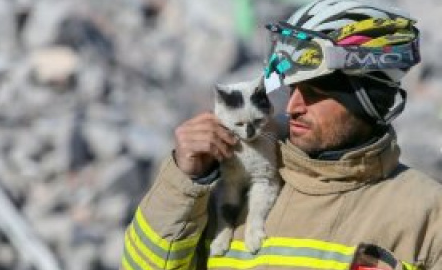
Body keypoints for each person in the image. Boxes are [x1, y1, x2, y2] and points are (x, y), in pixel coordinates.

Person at [120, 0, 442, 269]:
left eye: (315, 92)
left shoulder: (426, 214)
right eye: (293, 88)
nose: (293, 106)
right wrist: (183, 182)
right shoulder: (228, 180)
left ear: (367, 100)